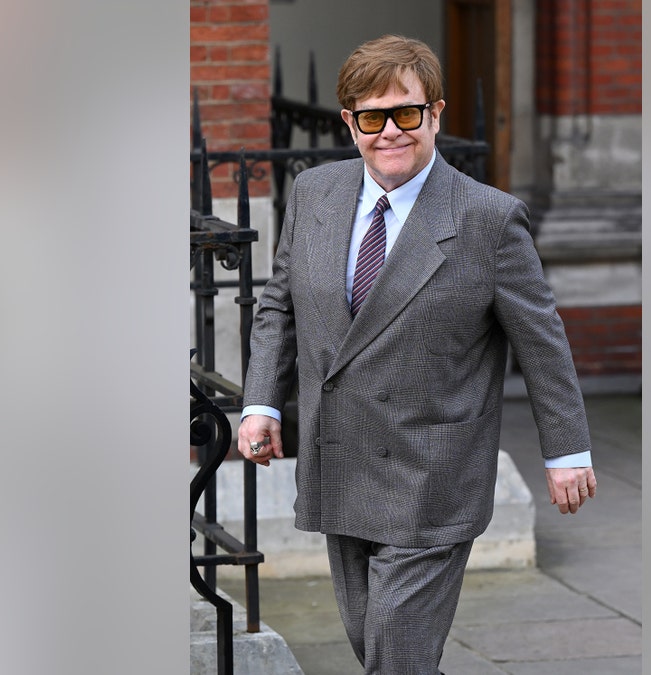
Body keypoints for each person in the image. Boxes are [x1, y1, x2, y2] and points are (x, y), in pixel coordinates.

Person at [237, 34, 597, 674]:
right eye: (372, 118)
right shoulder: (315, 193)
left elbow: (541, 341)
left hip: (433, 474)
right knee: (376, 650)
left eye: (406, 113)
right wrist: (261, 403)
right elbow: (278, 306)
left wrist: (566, 452)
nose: (390, 133)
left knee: (397, 655)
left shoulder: (488, 218)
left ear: (436, 113)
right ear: (350, 124)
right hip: (339, 458)